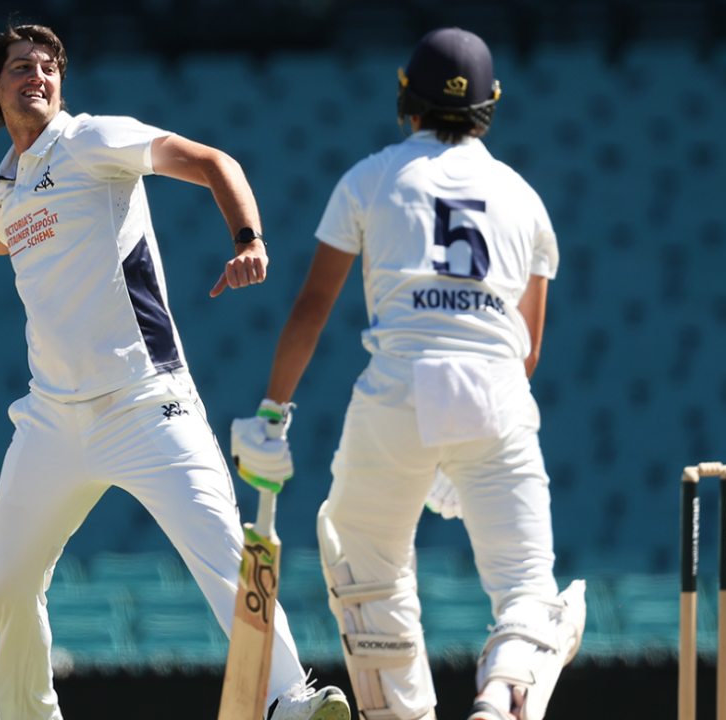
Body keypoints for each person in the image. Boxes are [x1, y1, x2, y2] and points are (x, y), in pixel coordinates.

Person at [0, 22, 348, 720]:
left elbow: (211, 160)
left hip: (146, 403)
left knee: (227, 549)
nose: (39, 76)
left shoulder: (90, 139)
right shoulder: (11, 176)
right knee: (5, 586)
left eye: (49, 66)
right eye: (21, 66)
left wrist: (248, 238)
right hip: (52, 419)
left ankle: (285, 698)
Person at [231, 28, 585, 720]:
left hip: (396, 396)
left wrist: (273, 411)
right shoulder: (525, 199)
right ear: (490, 107)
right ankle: (500, 693)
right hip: (497, 397)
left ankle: (403, 713)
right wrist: (464, 445)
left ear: (406, 98)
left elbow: (310, 310)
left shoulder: (371, 177)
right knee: (526, 590)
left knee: (366, 569)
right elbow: (528, 351)